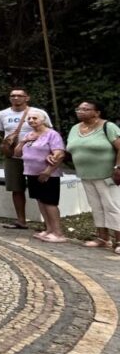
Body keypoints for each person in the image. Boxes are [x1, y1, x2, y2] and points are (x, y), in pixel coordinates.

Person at [0, 88, 52, 229]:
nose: (16, 98)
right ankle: (21, 220)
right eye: (12, 95)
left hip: (36, 156)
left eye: (20, 95)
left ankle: (48, 223)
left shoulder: (38, 113)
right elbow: (1, 134)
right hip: (13, 157)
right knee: (16, 188)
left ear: (27, 98)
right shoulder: (1, 114)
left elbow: (49, 132)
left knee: (40, 189)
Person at [67, 100, 120, 252]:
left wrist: (118, 167)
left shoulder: (108, 126)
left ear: (97, 112)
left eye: (85, 109)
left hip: (107, 175)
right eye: (78, 109)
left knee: (113, 206)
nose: (80, 111)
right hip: (86, 175)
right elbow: (70, 149)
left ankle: (119, 241)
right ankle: (103, 238)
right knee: (96, 207)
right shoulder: (75, 128)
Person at [15, 111, 66, 243]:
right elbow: (17, 153)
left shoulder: (52, 134)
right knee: (40, 201)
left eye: (35, 118)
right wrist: (23, 142)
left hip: (48, 174)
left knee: (50, 202)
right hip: (31, 172)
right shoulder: (28, 134)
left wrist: (48, 171)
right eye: (29, 119)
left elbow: (59, 154)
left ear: (43, 120)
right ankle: (49, 229)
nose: (31, 120)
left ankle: (58, 232)